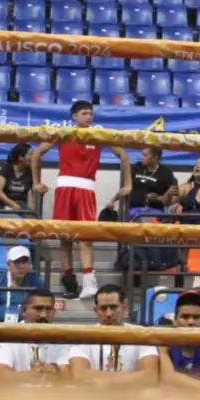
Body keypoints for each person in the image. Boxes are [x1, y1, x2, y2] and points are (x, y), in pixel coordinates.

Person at [31, 100, 132, 299]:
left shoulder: (99, 135)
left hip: (86, 190)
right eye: (84, 113)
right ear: (74, 117)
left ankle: (89, 282)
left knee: (86, 238)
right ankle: (69, 282)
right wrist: (36, 182)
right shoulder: (63, 133)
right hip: (65, 189)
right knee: (65, 238)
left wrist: (128, 184)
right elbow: (36, 154)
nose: (88, 116)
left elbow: (124, 156)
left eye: (90, 113)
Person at [68, 284, 159, 385]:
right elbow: (79, 375)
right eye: (103, 308)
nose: (108, 314)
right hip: (95, 396)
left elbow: (150, 376)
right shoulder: (83, 336)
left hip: (132, 396)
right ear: (96, 311)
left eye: (113, 307)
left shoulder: (142, 334)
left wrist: (103, 381)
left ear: (125, 307)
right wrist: (125, 377)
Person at [0, 289, 68, 384]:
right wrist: (32, 375)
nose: (43, 315)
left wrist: (55, 369)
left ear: (54, 312)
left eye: (48, 309)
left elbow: (69, 373)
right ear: (24, 310)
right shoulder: (7, 336)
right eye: (38, 309)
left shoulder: (62, 337)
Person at [0, 246, 46, 323]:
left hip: (27, 328)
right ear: (8, 264)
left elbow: (42, 313)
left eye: (24, 262)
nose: (21, 266)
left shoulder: (37, 283)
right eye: (17, 262)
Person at [126, 146, 177, 218]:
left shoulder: (166, 173)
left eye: (145, 155)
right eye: (142, 154)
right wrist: (112, 201)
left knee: (144, 220)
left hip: (154, 210)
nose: (142, 157)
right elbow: (125, 187)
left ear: (155, 158)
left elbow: (170, 200)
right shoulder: (136, 167)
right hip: (133, 209)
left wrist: (157, 198)